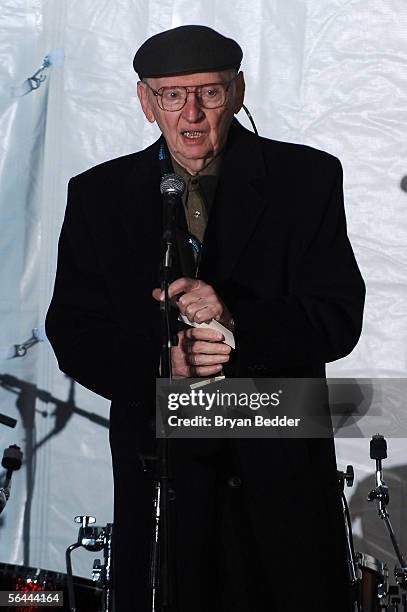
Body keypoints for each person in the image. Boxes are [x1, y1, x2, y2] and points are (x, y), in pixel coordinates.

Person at [46, 25, 365, 612]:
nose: (191, 112)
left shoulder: (308, 179)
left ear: (238, 92)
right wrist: (161, 363)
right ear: (146, 102)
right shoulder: (98, 194)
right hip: (164, 488)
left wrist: (236, 320)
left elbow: (338, 317)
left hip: (282, 481)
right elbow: (73, 330)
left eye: (210, 94)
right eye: (172, 95)